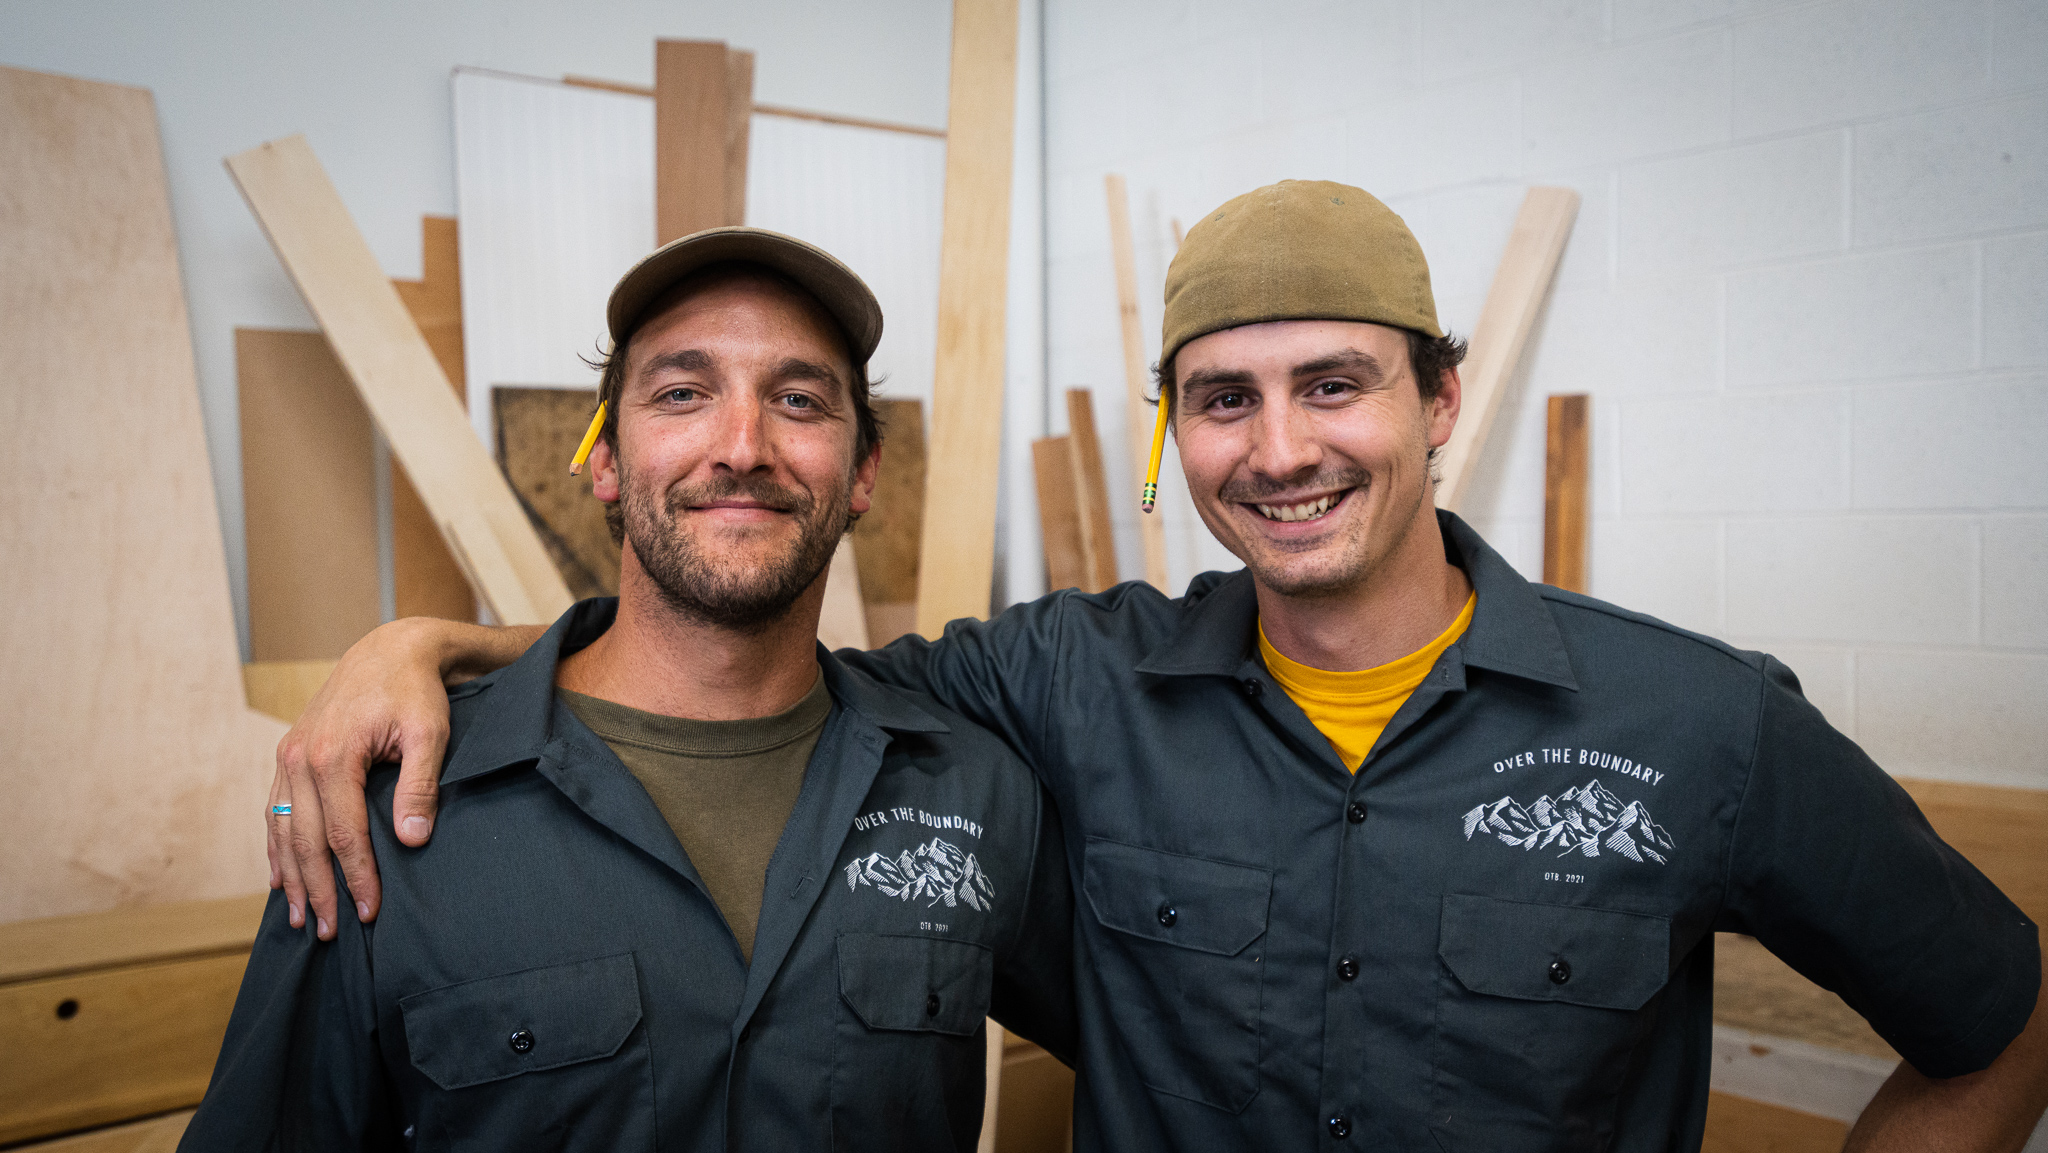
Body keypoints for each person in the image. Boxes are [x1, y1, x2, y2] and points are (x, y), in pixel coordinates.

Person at [271, 182, 2048, 1152]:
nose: (1278, 447)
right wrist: (423, 646)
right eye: (1221, 398)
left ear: (1439, 403)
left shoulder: (1695, 719)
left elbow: (1995, 1011)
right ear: (1175, 438)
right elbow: (725, 624)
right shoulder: (1057, 684)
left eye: (1332, 382)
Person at [185, 229, 1075, 1153]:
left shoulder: (970, 791)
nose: (742, 446)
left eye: (799, 399)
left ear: (862, 473)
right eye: (683, 393)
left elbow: (1168, 1047)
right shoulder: (389, 804)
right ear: (606, 457)